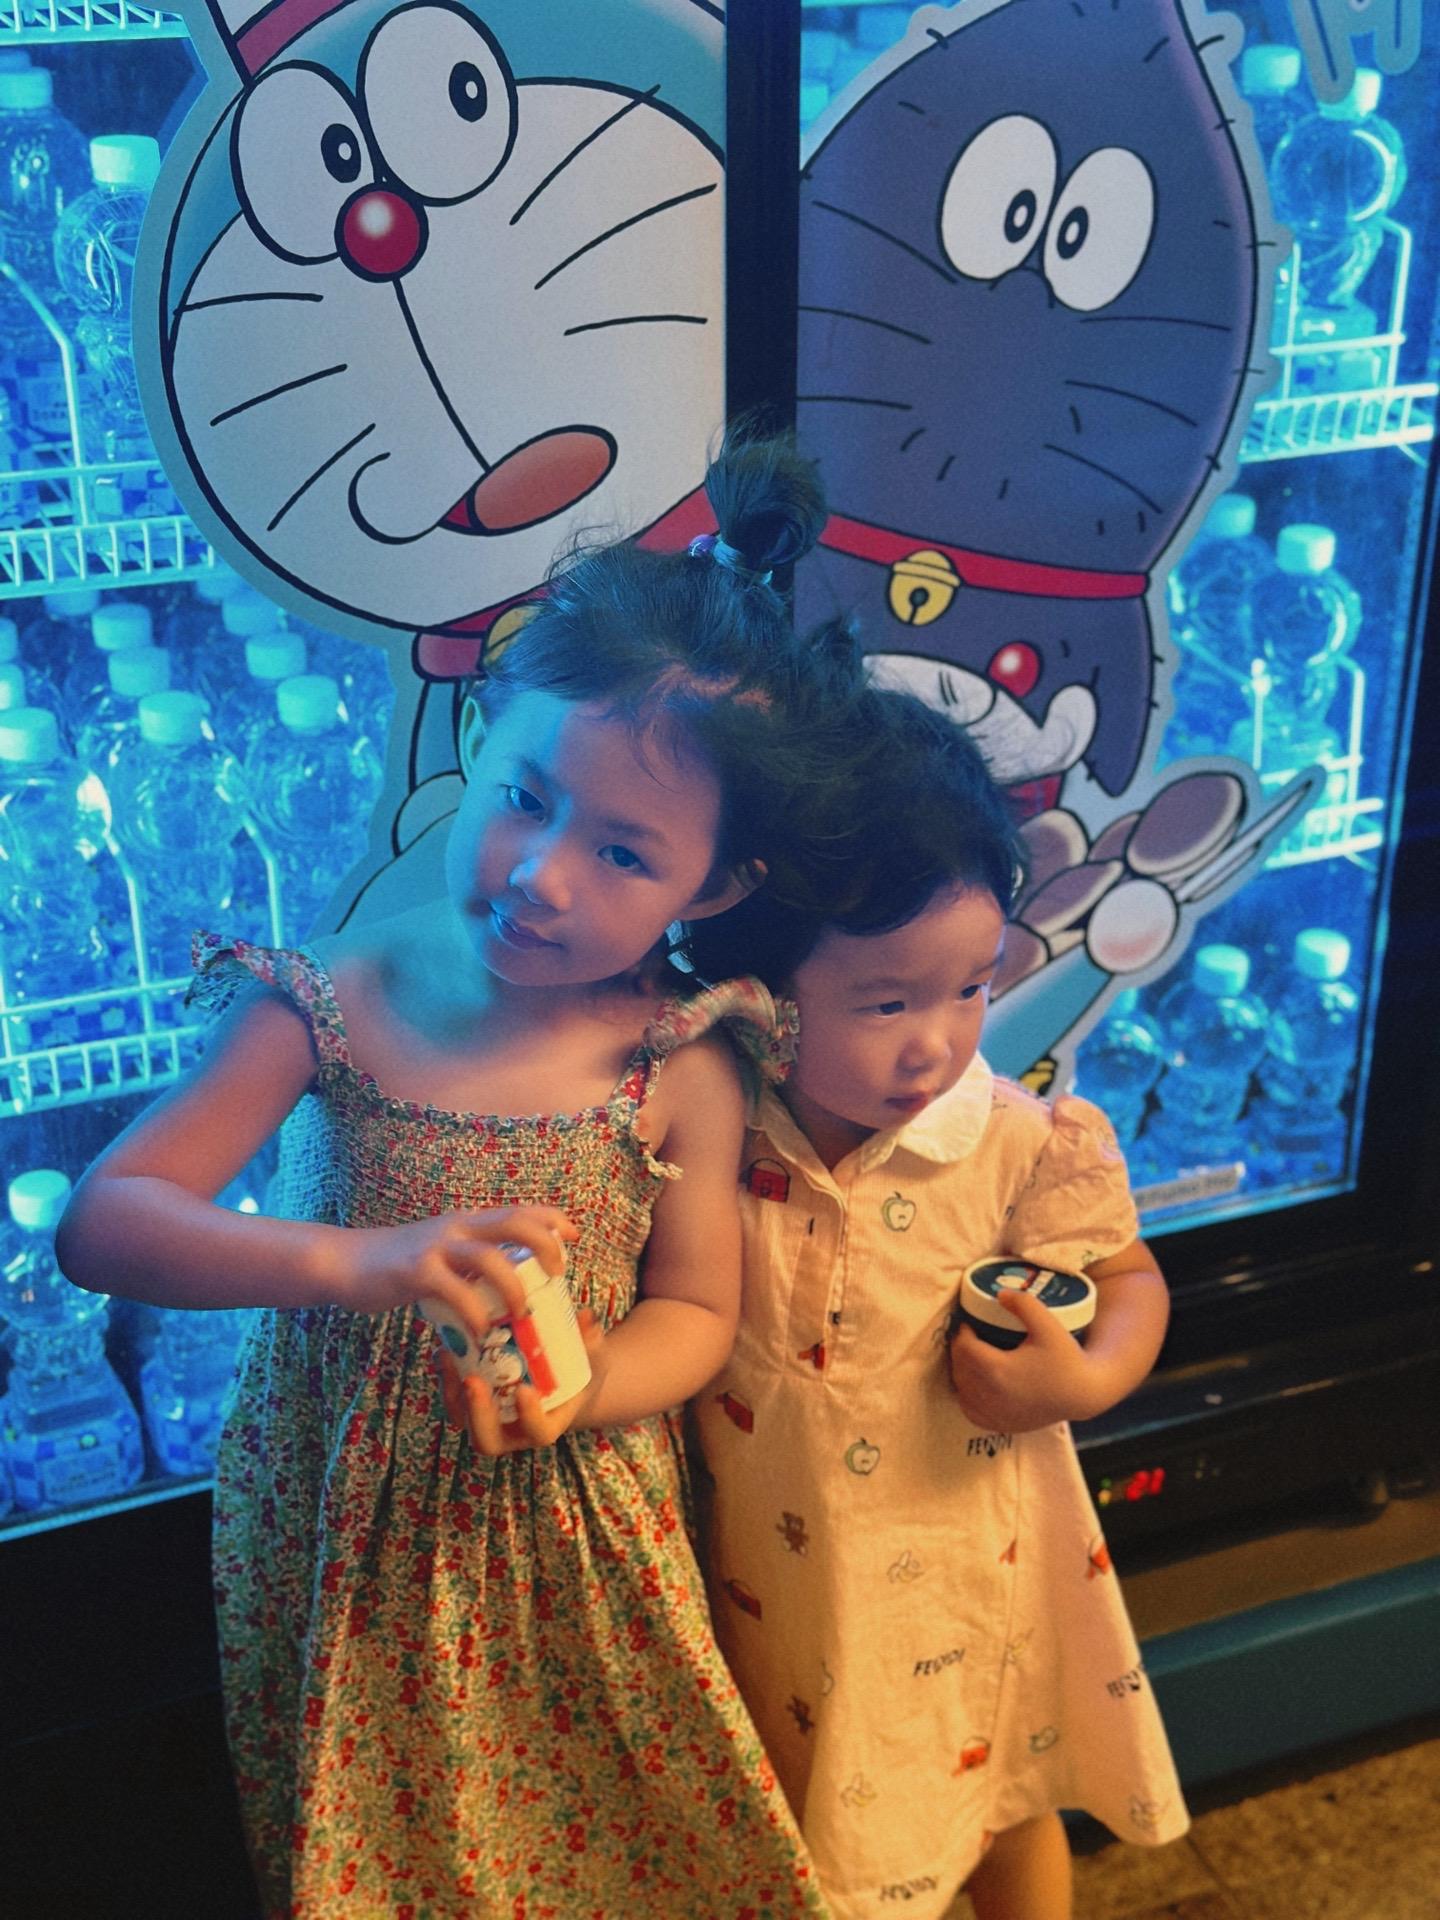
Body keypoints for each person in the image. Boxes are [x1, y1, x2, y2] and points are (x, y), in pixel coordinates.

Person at [55, 432, 854, 1920]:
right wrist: (355, 1260)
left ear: (719, 885)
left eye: (626, 855)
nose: (544, 873)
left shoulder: (682, 1058)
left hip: (573, 1521)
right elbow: (108, 1222)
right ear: (477, 735)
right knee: (372, 1840)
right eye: (527, 797)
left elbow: (695, 1311)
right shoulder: (328, 1003)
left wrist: (582, 1392)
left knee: (602, 1836)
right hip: (339, 1518)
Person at [685, 690, 1190, 1920]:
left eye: (972, 986)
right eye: (888, 1002)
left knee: (1002, 1805)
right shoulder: (709, 1122)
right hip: (774, 1581)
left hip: (971, 1574)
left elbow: (1130, 1279)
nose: (939, 1043)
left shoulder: (1014, 1141)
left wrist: (1086, 1377)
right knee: (812, 1820)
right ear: (758, 992)